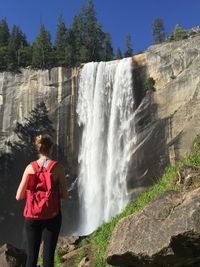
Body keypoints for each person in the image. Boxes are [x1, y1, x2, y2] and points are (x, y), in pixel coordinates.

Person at [16, 134, 68, 267]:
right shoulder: (57, 167)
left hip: (32, 216)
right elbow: (65, 195)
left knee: (31, 258)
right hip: (52, 215)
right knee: (48, 258)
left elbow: (19, 196)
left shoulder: (30, 168)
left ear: (38, 148)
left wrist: (34, 193)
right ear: (51, 148)